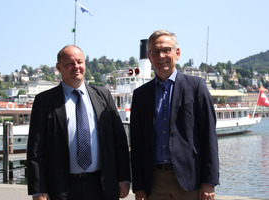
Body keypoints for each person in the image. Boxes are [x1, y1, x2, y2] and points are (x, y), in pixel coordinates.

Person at [27, 45, 131, 200]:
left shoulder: (103, 95)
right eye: (69, 63)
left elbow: (119, 141)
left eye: (79, 62)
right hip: (62, 187)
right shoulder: (44, 101)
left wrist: (124, 178)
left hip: (101, 186)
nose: (76, 66)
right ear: (59, 67)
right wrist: (38, 190)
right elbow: (35, 149)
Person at [130, 30, 219, 200]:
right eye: (155, 52)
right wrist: (138, 185)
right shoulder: (141, 95)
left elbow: (209, 137)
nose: (161, 55)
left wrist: (209, 181)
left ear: (177, 53)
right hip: (154, 182)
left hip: (189, 180)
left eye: (166, 50)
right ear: (149, 57)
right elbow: (137, 143)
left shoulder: (197, 87)